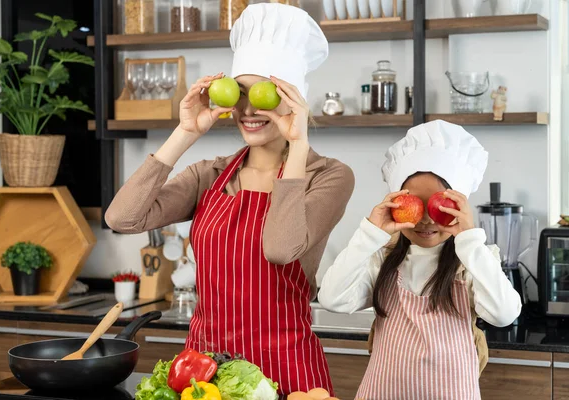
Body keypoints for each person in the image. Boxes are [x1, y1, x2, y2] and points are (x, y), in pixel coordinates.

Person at [105, 3, 354, 396]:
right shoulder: (210, 174)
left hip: (286, 370)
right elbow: (122, 218)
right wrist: (185, 132)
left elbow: (279, 249)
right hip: (204, 375)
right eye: (239, 93)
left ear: (294, 100)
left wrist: (298, 144)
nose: (248, 109)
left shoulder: (327, 175)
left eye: (263, 94)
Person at [318, 120, 522, 399]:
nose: (426, 219)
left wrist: (470, 240)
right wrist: (370, 233)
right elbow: (331, 298)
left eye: (439, 206)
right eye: (414, 205)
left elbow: (504, 314)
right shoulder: (382, 258)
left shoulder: (471, 262)